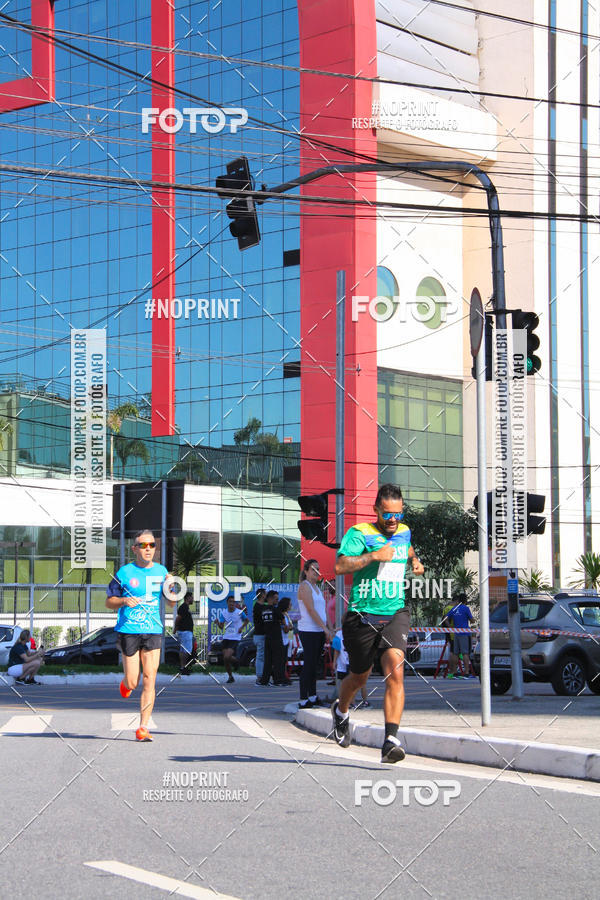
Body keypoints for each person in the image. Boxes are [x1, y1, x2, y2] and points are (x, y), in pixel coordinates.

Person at [331, 484, 424, 763]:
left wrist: (416, 560)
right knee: (359, 676)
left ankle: (390, 741)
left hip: (395, 612)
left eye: (398, 514)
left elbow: (407, 548)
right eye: (387, 514)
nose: (393, 520)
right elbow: (340, 566)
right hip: (362, 614)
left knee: (395, 670)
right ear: (376, 510)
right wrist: (373, 556)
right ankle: (341, 711)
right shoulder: (360, 533)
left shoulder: (404, 531)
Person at [106, 529, 176, 742]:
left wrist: (171, 587)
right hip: (129, 630)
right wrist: (123, 601)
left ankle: (143, 727)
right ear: (134, 548)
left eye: (152, 545)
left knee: (149, 678)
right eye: (143, 545)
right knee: (133, 681)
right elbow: (109, 602)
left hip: (153, 629)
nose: (148, 549)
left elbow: (171, 603)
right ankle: (126, 684)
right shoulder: (124, 573)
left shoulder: (162, 571)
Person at [297, 558, 332, 709]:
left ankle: (312, 696)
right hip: (308, 630)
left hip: (318, 630)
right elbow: (311, 610)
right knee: (309, 664)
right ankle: (303, 699)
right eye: (313, 569)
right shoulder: (304, 587)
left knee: (315, 665)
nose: (317, 572)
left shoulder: (317, 587)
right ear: (306, 571)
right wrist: (325, 628)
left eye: (318, 569)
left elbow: (323, 610)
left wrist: (330, 628)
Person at [331, 628, 370, 707]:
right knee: (352, 683)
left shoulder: (355, 632)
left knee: (356, 683)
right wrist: (335, 661)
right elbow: (336, 649)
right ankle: (353, 702)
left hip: (352, 661)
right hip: (345, 662)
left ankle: (355, 702)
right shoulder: (340, 634)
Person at [216, 594, 249, 683]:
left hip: (235, 638)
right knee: (226, 658)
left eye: (233, 602)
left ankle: (236, 662)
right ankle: (231, 676)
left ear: (235, 603)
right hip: (226, 637)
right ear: (227, 603)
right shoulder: (224, 613)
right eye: (230, 602)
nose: (232, 603)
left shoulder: (239, 612)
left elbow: (247, 621)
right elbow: (221, 627)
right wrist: (218, 623)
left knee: (227, 656)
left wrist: (241, 628)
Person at [258, 590, 288, 686]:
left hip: (267, 637)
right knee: (278, 660)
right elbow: (284, 623)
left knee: (268, 661)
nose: (277, 601)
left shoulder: (263, 610)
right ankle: (278, 680)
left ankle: (264, 681)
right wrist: (286, 627)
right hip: (276, 637)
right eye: (276, 599)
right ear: (270, 598)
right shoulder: (276, 610)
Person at [445, 593, 475, 678]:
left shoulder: (454, 608)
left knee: (456, 653)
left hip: (456, 633)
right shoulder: (466, 608)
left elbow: (445, 618)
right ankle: (466, 672)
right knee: (465, 653)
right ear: (465, 600)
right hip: (465, 633)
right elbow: (472, 620)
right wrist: (473, 620)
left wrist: (450, 627)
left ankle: (454, 671)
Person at [174, 590, 195, 675]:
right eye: (192, 597)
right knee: (187, 650)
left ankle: (183, 667)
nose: (193, 599)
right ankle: (183, 667)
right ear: (188, 598)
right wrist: (175, 628)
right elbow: (178, 618)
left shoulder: (186, 607)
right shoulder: (184, 607)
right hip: (185, 632)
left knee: (183, 650)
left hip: (185, 632)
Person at [252, 588, 267, 684]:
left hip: (261, 634)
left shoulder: (262, 606)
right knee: (260, 656)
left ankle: (263, 676)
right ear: (262, 595)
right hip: (260, 634)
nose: (266, 596)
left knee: (263, 656)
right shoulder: (258, 607)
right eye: (265, 594)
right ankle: (259, 676)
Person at [278, 596, 293, 685]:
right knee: (281, 660)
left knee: (284, 660)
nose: (291, 606)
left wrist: (289, 627)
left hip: (286, 640)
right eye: (290, 604)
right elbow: (285, 629)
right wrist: (289, 627)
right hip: (282, 640)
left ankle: (284, 676)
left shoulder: (286, 615)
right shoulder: (282, 616)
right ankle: (281, 677)